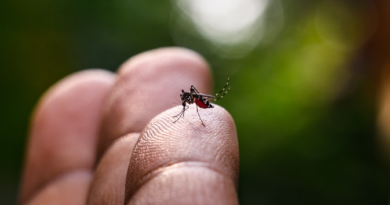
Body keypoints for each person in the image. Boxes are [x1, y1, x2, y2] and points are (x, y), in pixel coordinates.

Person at [19, 47, 239, 205]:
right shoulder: (187, 100)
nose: (184, 99)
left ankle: (214, 98)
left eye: (186, 98)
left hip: (203, 107)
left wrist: (199, 106)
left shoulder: (193, 99)